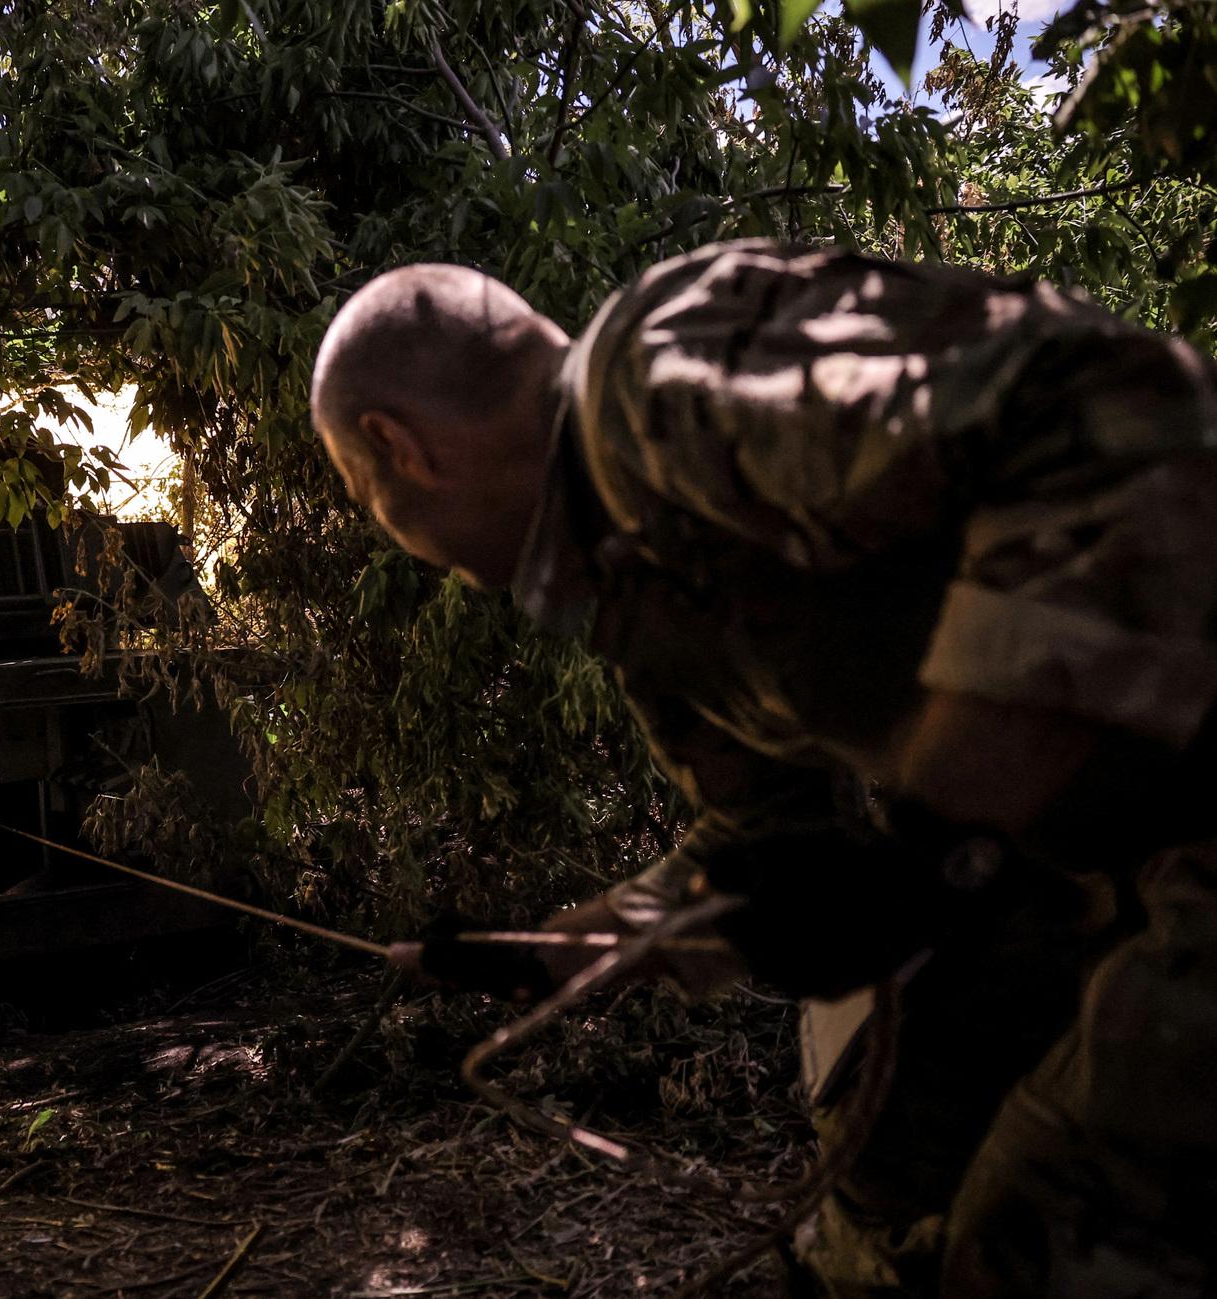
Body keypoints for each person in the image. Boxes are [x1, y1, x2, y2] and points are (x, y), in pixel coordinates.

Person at [310, 242, 1217, 1298]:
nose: (394, 534)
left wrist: (945, 821)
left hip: (1179, 832)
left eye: (361, 495)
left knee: (1039, 1236)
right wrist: (558, 956)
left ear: (398, 447)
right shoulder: (621, 571)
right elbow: (764, 831)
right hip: (1097, 865)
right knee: (878, 1211)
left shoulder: (656, 383)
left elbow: (1110, 407)